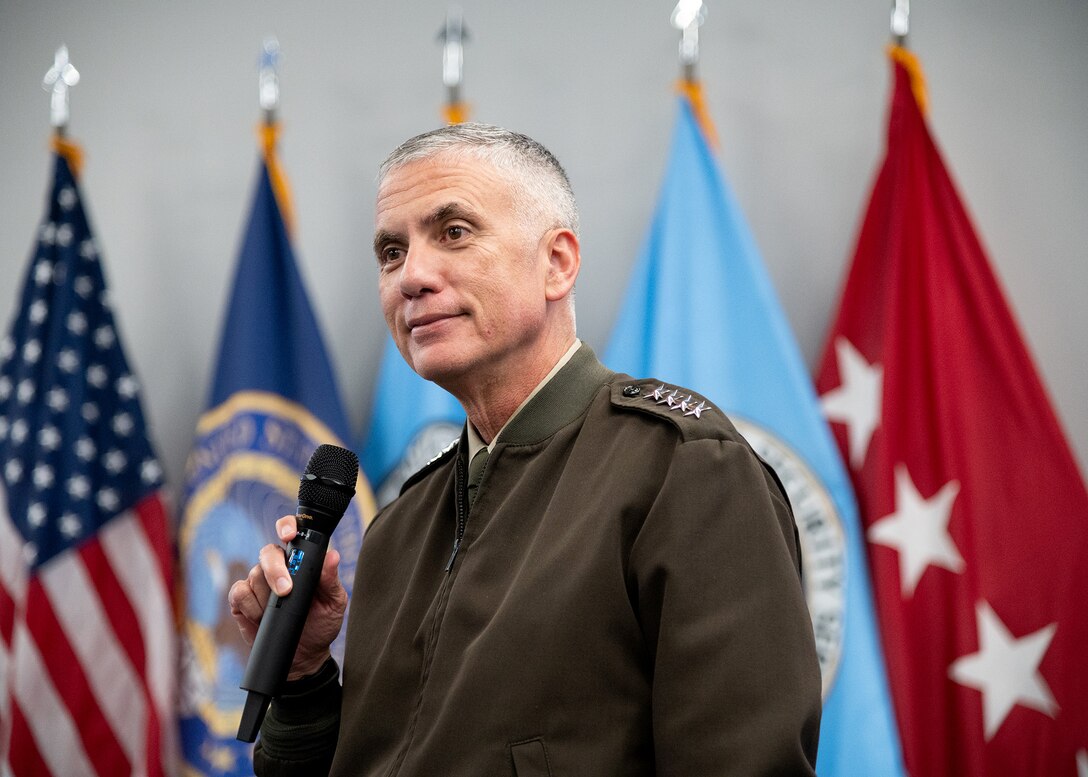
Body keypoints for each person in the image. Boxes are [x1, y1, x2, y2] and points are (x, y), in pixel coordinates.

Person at [228, 123, 821, 776]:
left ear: (558, 263)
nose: (412, 276)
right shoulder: (400, 526)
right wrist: (306, 678)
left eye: (454, 232)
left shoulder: (682, 469)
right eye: (391, 252)